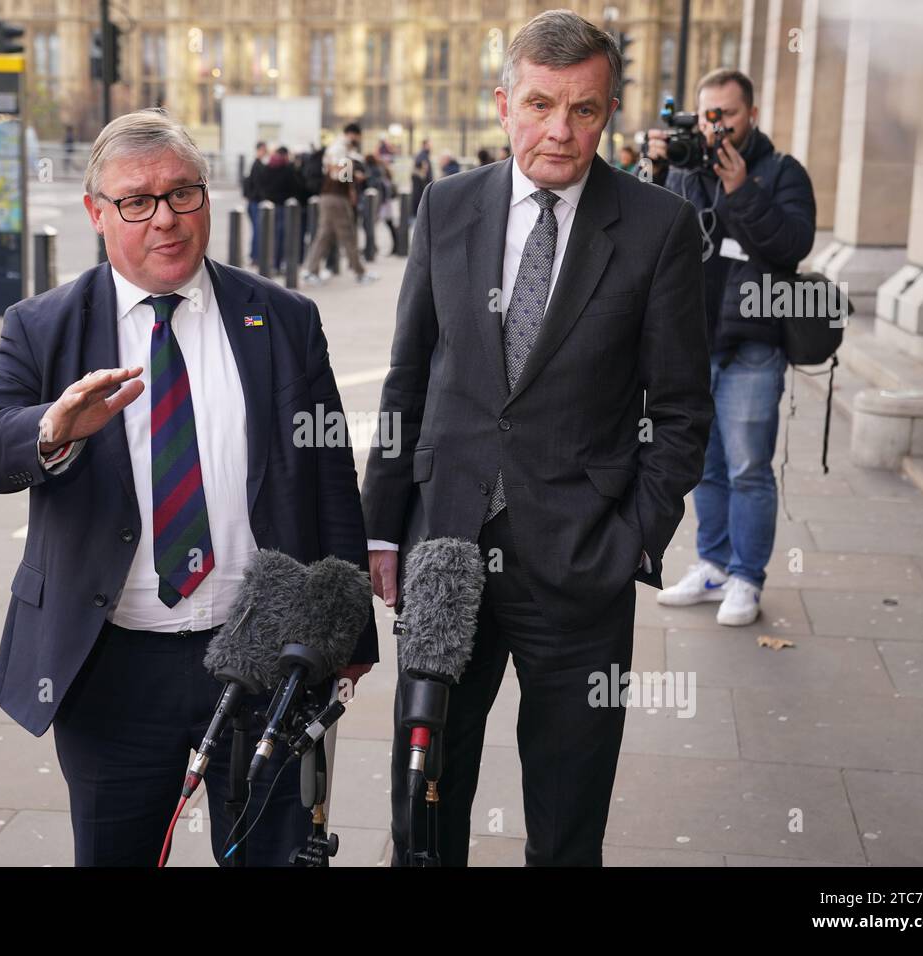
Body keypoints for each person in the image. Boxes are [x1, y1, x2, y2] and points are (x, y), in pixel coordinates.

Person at [0, 108, 377, 867]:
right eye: (136, 201)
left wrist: (349, 632)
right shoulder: (44, 327)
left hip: (264, 655)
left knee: (276, 855)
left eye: (183, 194)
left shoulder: (283, 318)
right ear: (96, 214)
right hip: (111, 667)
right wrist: (51, 429)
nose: (165, 219)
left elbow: (330, 474)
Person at [361, 9, 712, 867]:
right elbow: (409, 374)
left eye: (585, 110)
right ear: (503, 102)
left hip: (580, 567)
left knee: (568, 816)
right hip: (444, 553)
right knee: (425, 805)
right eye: (541, 104)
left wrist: (630, 541)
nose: (561, 129)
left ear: (610, 111)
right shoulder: (446, 205)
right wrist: (380, 521)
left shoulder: (660, 227)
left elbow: (681, 414)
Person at [646, 68, 816, 627]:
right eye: (708, 115)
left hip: (752, 346)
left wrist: (743, 191)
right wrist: (658, 169)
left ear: (752, 115)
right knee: (706, 468)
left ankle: (747, 576)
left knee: (748, 468)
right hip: (693, 344)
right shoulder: (687, 166)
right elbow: (653, 237)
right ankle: (714, 565)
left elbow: (792, 245)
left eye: (729, 115)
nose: (717, 127)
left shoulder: (782, 172)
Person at [301, 122, 377, 286]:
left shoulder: (340, 147)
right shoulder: (339, 147)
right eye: (357, 136)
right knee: (348, 234)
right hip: (336, 197)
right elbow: (338, 173)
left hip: (330, 196)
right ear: (352, 134)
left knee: (325, 235)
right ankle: (360, 272)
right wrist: (353, 179)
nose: (358, 140)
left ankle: (310, 270)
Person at [242, 140, 268, 266]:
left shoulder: (255, 164)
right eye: (264, 150)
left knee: (257, 230)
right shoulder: (257, 165)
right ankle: (255, 256)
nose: (265, 152)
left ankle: (254, 255)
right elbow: (257, 185)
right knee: (257, 230)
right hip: (255, 202)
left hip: (253, 201)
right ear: (259, 150)